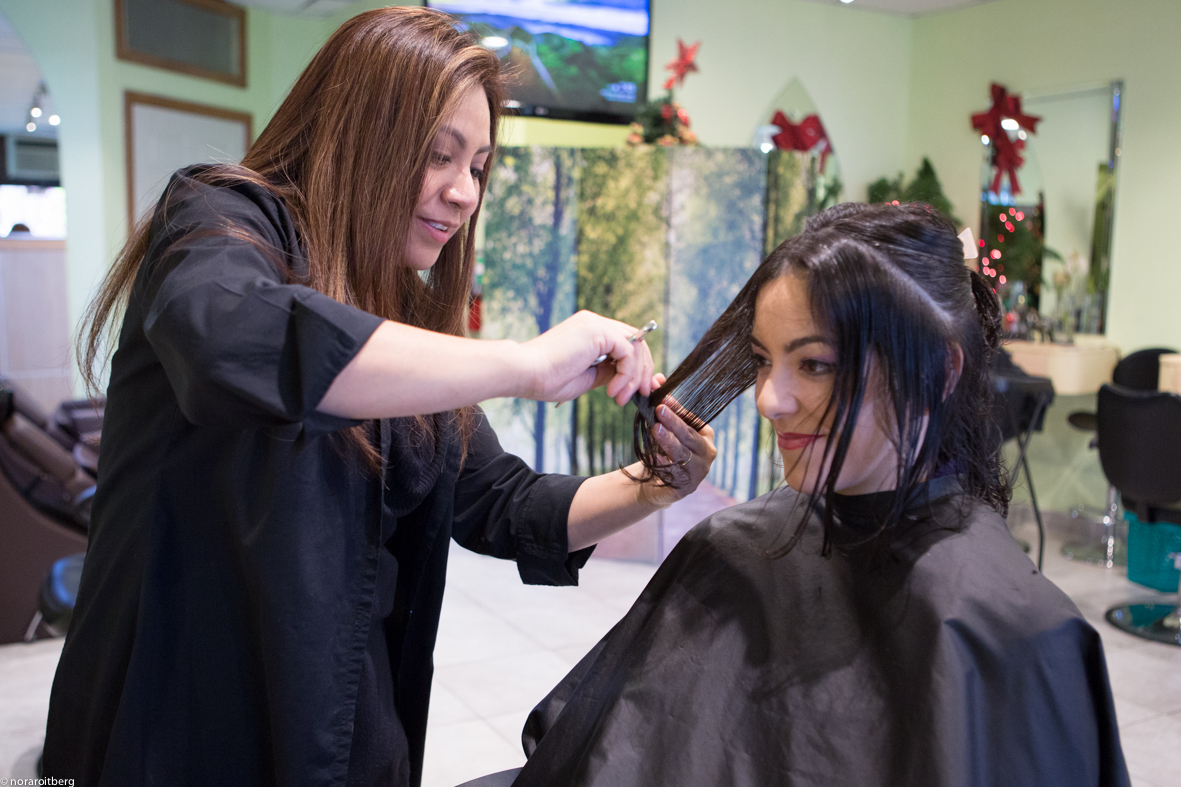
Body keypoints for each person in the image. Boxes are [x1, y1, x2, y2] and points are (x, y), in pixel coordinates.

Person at [41, 9, 716, 787]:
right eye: (439, 156)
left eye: (478, 167)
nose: (463, 192)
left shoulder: (404, 318)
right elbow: (241, 342)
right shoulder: (218, 219)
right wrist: (519, 364)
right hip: (182, 724)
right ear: (362, 132)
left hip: (344, 727)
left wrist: (657, 481)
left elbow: (504, 502)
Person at [503, 203, 1130, 787]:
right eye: (762, 360)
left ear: (938, 371)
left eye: (815, 365)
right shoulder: (729, 548)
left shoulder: (1012, 631)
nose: (768, 399)